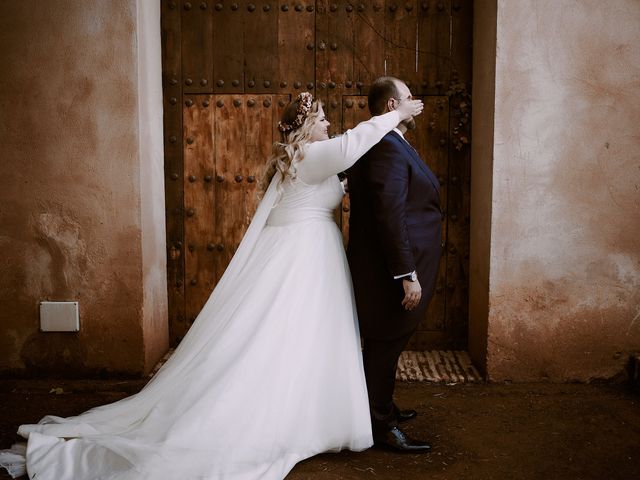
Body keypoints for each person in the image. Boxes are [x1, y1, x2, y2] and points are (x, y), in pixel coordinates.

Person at [0, 91, 423, 480]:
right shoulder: (314, 155)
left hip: (309, 253)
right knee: (287, 337)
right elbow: (351, 144)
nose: (329, 124)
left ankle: (310, 412)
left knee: (300, 337)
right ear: (306, 127)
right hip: (304, 257)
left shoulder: (308, 160)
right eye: (323, 119)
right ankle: (282, 416)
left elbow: (332, 173)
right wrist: (395, 115)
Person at [347, 77, 443, 452]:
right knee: (385, 346)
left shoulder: (390, 144)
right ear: (392, 107)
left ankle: (381, 407)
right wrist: (407, 274)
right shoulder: (386, 147)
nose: (414, 103)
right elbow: (390, 215)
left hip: (398, 266)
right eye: (407, 98)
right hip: (392, 273)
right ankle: (380, 425)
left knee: (386, 346)